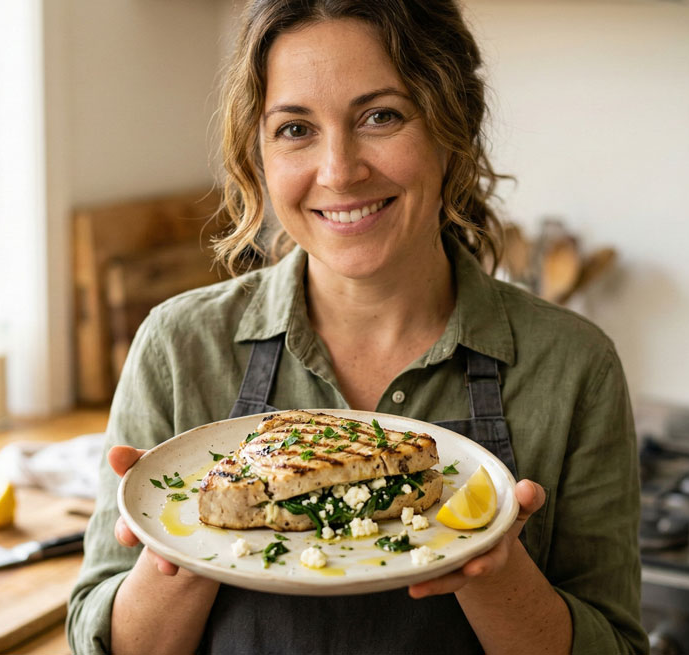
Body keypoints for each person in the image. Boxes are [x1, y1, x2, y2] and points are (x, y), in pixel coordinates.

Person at [67, 1, 645, 653]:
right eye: (294, 128)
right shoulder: (177, 348)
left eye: (381, 116)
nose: (339, 170)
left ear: (452, 128)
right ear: (258, 152)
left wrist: (495, 570)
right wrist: (179, 546)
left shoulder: (573, 365)